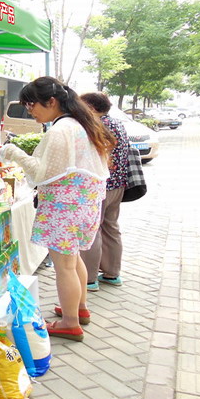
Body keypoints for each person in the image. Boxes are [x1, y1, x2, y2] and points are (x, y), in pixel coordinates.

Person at [0, 77, 115, 341]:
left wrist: (13, 152)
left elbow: (42, 173)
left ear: (51, 101)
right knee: (73, 260)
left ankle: (70, 323)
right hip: (84, 205)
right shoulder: (82, 124)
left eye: (32, 105)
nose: (30, 111)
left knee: (64, 267)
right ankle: (79, 308)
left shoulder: (60, 130)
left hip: (65, 207)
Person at [80, 92, 130, 292]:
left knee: (93, 230)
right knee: (111, 227)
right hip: (118, 185)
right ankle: (112, 273)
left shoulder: (96, 126)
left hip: (100, 186)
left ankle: (89, 279)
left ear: (91, 107)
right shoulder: (118, 123)